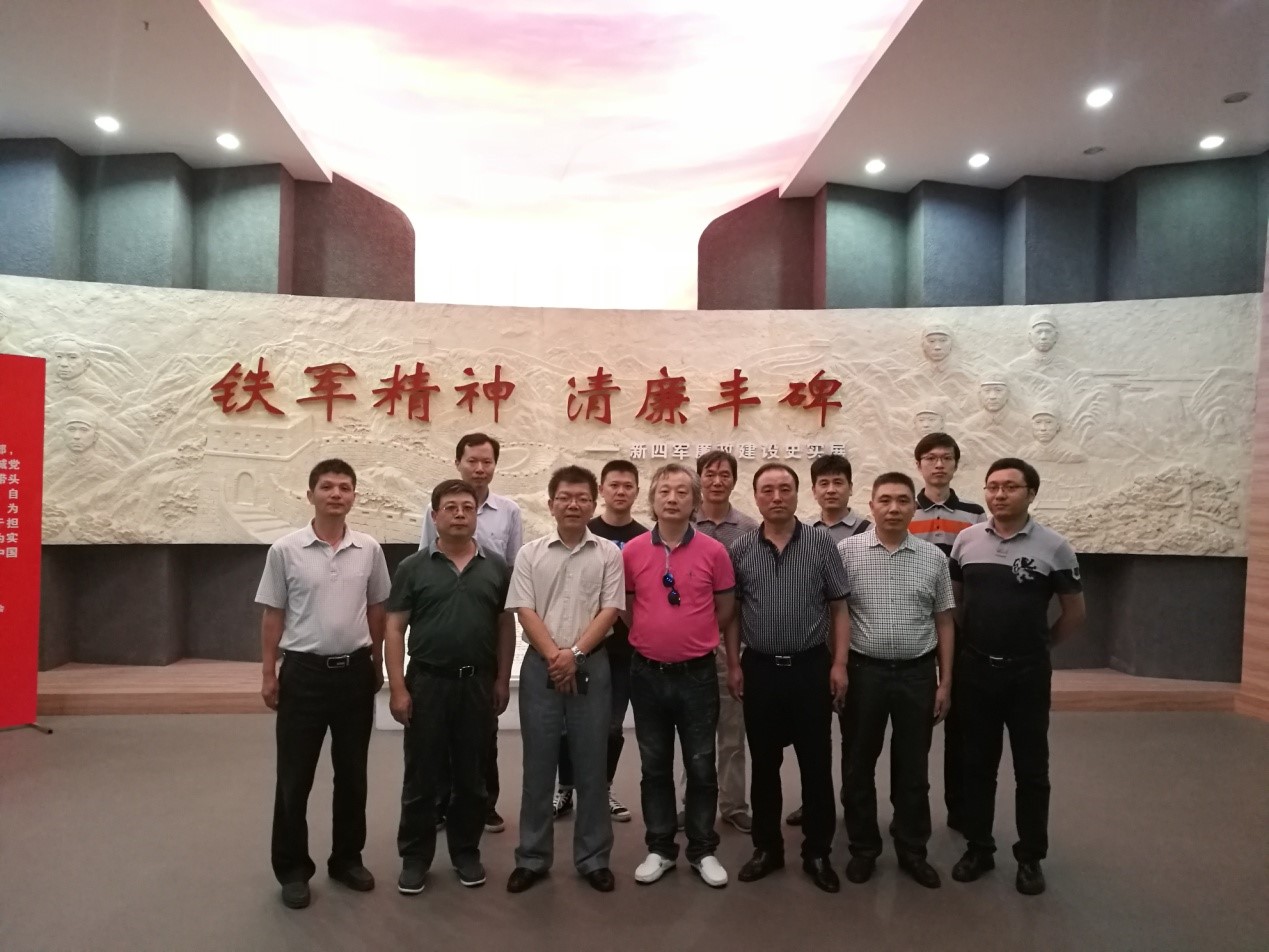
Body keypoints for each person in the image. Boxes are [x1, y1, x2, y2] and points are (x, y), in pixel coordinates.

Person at [256, 459, 391, 910]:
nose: (336, 494)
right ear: (310, 493)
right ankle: (293, 869)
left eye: (345, 487)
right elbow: (273, 613)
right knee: (295, 778)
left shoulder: (369, 549)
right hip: (303, 675)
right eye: (327, 486)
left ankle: (347, 859)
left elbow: (377, 608)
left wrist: (376, 661)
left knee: (352, 775)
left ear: (354, 496)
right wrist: (268, 671)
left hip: (353, 673)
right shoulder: (285, 550)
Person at [949, 458, 1085, 896]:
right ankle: (979, 848)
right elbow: (956, 603)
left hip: (1027, 675)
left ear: (1031, 493)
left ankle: (1030, 858)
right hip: (976, 671)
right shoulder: (966, 541)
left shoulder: (1055, 547)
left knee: (1031, 770)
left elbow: (1074, 611)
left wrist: (1041, 647)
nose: (999, 494)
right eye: (992, 486)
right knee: (977, 765)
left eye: (1010, 486)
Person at [726, 463, 850, 893]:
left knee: (816, 764)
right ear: (756, 496)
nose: (776, 497)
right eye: (767, 490)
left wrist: (839, 664)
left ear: (798, 494)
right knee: (764, 765)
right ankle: (768, 848)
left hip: (810, 669)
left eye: (784, 489)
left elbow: (839, 607)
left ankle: (817, 852)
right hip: (760, 670)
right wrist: (734, 664)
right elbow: (733, 614)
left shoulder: (821, 544)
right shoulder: (741, 548)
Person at [386, 479, 515, 895]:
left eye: (467, 507)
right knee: (421, 775)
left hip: (477, 684)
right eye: (450, 507)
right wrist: (398, 688)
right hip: (427, 683)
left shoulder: (496, 567)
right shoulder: (412, 568)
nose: (460, 514)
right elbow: (394, 628)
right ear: (434, 515)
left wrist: (501, 678)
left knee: (472, 776)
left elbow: (505, 626)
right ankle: (415, 857)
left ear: (477, 515)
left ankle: (465, 852)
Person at [505, 465, 626, 894]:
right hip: (541, 667)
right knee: (538, 765)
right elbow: (524, 609)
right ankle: (532, 857)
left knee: (592, 765)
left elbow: (611, 610)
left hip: (592, 665)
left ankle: (594, 858)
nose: (573, 505)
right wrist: (556, 657)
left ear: (593, 504)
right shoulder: (530, 553)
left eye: (582, 498)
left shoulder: (609, 553)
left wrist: (574, 655)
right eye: (564, 497)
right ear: (551, 503)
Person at [838, 473, 955, 889]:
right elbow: (836, 614)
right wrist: (837, 667)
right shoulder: (846, 552)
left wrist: (945, 682)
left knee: (913, 768)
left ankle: (912, 849)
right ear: (871, 506)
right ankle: (863, 848)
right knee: (858, 764)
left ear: (914, 507)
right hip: (863, 673)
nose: (893, 508)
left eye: (902, 500)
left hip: (917, 675)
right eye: (884, 500)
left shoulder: (933, 557)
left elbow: (944, 620)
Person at [624, 463, 736, 888]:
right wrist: (655, 635)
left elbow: (725, 609)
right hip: (647, 674)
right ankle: (660, 848)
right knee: (654, 765)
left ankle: (703, 850)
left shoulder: (714, 551)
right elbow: (627, 609)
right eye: (664, 491)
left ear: (695, 502)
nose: (672, 498)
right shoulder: (632, 551)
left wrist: (693, 636)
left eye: (682, 492)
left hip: (698, 675)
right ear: (652, 500)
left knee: (701, 764)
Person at [418, 433, 523, 834]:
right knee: (439, 731)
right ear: (458, 462)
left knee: (483, 727)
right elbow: (426, 559)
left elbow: (512, 568)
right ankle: (441, 803)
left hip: (487, 620)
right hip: (446, 619)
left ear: (495, 465)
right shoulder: (435, 509)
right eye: (472, 461)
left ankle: (484, 804)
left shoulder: (509, 511)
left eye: (486, 462)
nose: (479, 469)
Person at [554, 460, 648, 825]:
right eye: (614, 485)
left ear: (636, 491)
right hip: (581, 647)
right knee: (568, 725)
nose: (621, 491)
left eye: (628, 486)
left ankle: (603, 789)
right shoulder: (583, 530)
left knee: (611, 726)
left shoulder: (645, 538)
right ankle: (566, 788)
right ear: (602, 491)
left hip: (624, 651)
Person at [786, 452, 871, 827]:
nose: (831, 489)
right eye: (824, 483)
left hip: (858, 648)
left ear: (851, 487)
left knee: (855, 736)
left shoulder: (868, 531)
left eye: (839, 482)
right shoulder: (803, 532)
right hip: (814, 650)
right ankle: (815, 804)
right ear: (814, 489)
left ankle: (854, 808)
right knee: (813, 736)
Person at [909, 432, 986, 834]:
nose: (938, 465)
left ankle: (960, 809)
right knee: (915, 726)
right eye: (930, 458)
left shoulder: (974, 515)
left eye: (946, 458)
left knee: (959, 722)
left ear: (956, 464)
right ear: (919, 464)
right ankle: (911, 810)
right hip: (913, 627)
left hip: (958, 625)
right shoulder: (904, 509)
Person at [691, 449, 757, 833]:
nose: (717, 481)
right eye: (710, 474)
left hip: (733, 641)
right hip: (690, 642)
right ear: (699, 478)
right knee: (693, 732)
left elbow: (748, 591)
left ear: (734, 479)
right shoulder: (684, 523)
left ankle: (733, 805)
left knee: (733, 731)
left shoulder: (748, 528)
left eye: (724, 475)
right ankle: (692, 804)